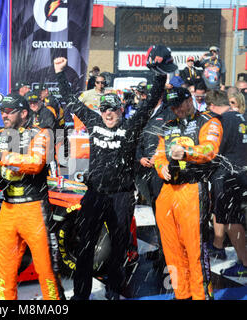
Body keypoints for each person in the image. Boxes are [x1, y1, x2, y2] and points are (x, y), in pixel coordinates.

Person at [53, 44, 170, 300]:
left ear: (120, 110)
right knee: (85, 245)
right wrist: (60, 73)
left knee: (118, 248)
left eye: (113, 109)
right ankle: (81, 294)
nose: (108, 114)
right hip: (95, 194)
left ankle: (114, 290)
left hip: (121, 196)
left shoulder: (131, 126)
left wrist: (160, 75)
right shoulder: (94, 121)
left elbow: (150, 103)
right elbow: (72, 102)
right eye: (104, 109)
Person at [0, 93, 63, 300]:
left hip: (34, 209)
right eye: (2, 111)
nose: (4, 115)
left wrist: (1, 156)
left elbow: (35, 163)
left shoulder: (41, 134)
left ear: (24, 113)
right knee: (4, 271)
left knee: (46, 270)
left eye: (9, 111)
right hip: (7, 209)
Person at [153, 87, 223, 300]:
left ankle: (201, 295)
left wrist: (187, 152)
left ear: (189, 99)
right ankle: (181, 294)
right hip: (167, 191)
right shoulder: (168, 126)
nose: (176, 109)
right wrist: (160, 167)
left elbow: (211, 149)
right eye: (172, 106)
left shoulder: (209, 121)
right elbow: (159, 154)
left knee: (194, 249)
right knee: (171, 249)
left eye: (179, 104)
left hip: (193, 189)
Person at [205, 90, 247, 277]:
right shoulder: (242, 117)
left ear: (212, 106)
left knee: (232, 220)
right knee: (232, 217)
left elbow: (213, 152)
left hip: (230, 175)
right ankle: (224, 248)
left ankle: (244, 263)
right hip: (241, 171)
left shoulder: (222, 121)